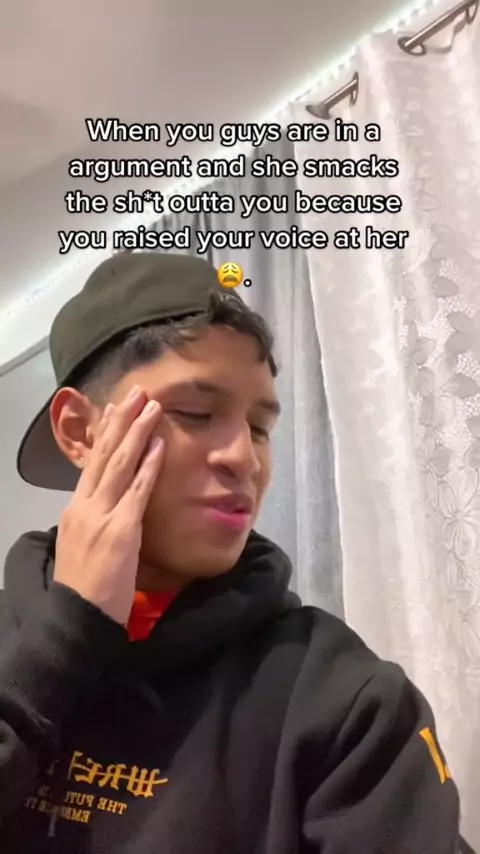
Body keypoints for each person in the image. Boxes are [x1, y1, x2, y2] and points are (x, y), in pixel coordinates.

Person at [0, 251, 469, 853]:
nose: (244, 459)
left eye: (260, 428)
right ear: (77, 431)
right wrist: (63, 639)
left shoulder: (344, 702)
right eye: (196, 413)